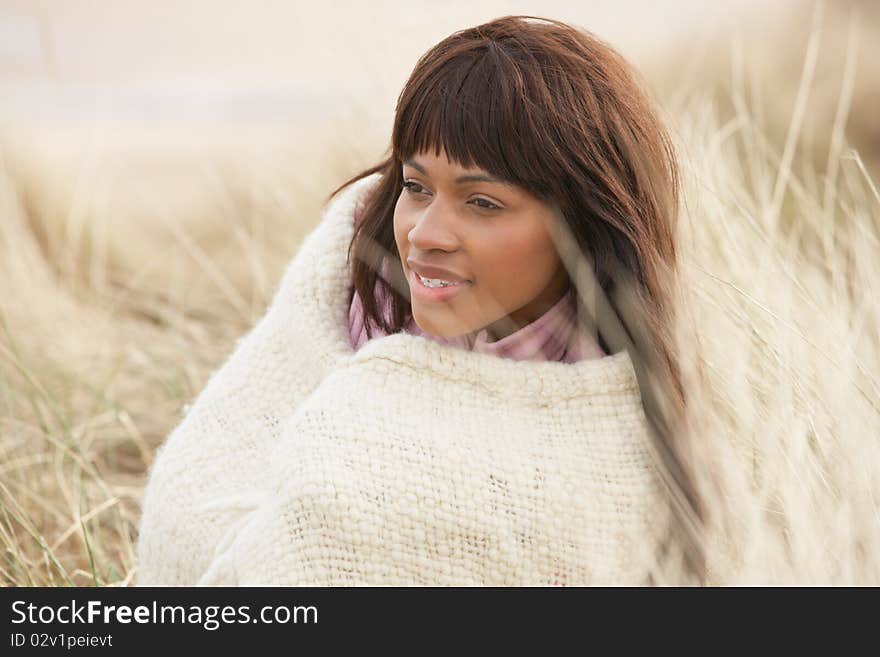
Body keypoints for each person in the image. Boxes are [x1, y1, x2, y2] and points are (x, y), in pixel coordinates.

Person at [136, 14, 706, 586]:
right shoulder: (353, 302)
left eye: (482, 202)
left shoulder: (632, 398)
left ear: (579, 223)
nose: (425, 234)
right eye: (416, 188)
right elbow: (201, 496)